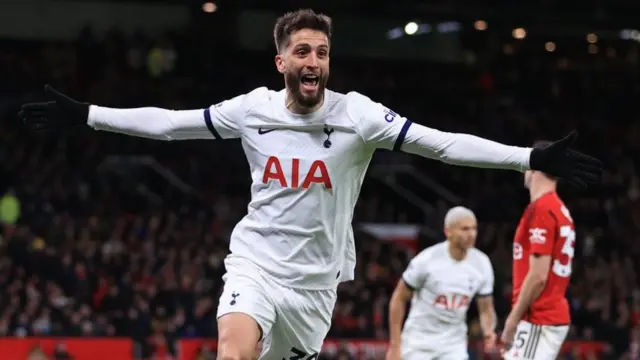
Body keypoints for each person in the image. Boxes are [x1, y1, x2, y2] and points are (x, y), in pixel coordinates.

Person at [19, 9, 602, 360]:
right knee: (233, 348)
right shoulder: (252, 110)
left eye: (322, 52)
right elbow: (170, 126)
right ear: (281, 62)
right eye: (302, 51)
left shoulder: (359, 116)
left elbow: (443, 143)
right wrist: (90, 114)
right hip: (256, 265)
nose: (313, 61)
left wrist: (527, 155)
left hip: (317, 289)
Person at [386, 206, 497, 360]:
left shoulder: (482, 264)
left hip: (453, 345)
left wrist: (488, 331)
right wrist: (395, 345)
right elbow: (399, 298)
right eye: (464, 229)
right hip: (418, 342)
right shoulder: (426, 260)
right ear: (448, 231)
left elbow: (486, 307)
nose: (471, 234)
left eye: (474, 228)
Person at [501, 141, 576, 360]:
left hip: (538, 317)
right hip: (545, 316)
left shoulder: (542, 209)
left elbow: (538, 276)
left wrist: (512, 320)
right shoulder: (559, 209)